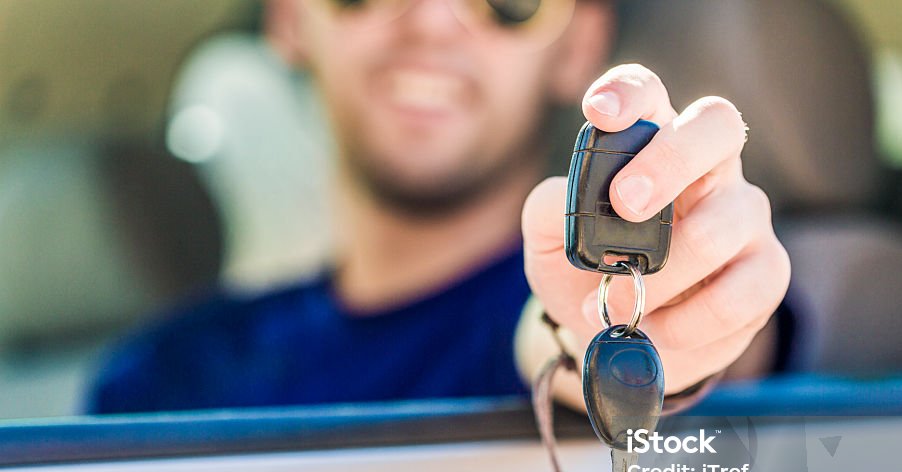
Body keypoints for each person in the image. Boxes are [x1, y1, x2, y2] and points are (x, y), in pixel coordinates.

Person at [87, 0, 791, 415]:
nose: (430, 19)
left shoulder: (570, 305)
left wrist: (646, 322)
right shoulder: (161, 379)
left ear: (577, 43)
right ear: (289, 17)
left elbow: (575, 343)